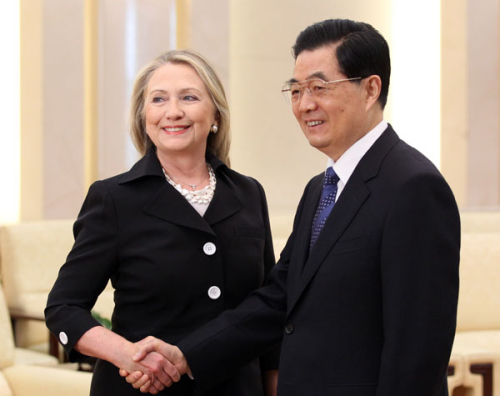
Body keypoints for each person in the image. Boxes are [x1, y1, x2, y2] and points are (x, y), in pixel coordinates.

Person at [124, 19, 460, 396]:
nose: (305, 104)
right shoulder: (321, 189)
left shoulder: (413, 187)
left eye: (319, 88)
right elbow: (280, 297)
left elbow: (417, 349)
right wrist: (186, 355)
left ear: (370, 89)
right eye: (296, 90)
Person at [45, 49, 280, 396]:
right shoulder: (114, 198)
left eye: (189, 97)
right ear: (143, 117)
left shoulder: (249, 193)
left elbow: (267, 311)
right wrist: (128, 355)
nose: (174, 111)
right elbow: (63, 308)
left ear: (214, 112)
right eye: (158, 99)